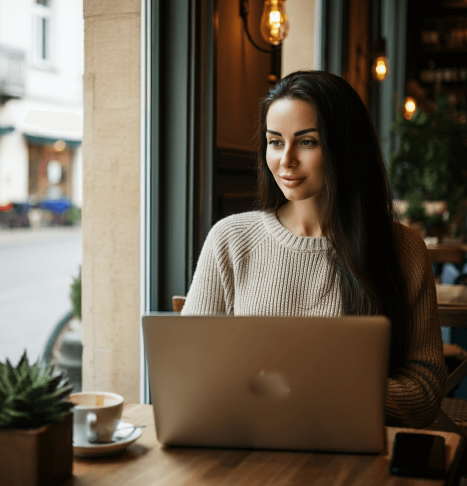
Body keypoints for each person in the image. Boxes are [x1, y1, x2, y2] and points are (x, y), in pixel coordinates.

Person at [181, 70, 446, 428]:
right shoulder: (229, 239)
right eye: (275, 142)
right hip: (251, 447)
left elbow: (423, 393)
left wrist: (313, 384)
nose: (286, 159)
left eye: (307, 142)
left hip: (353, 457)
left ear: (345, 147)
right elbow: (188, 373)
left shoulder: (403, 249)